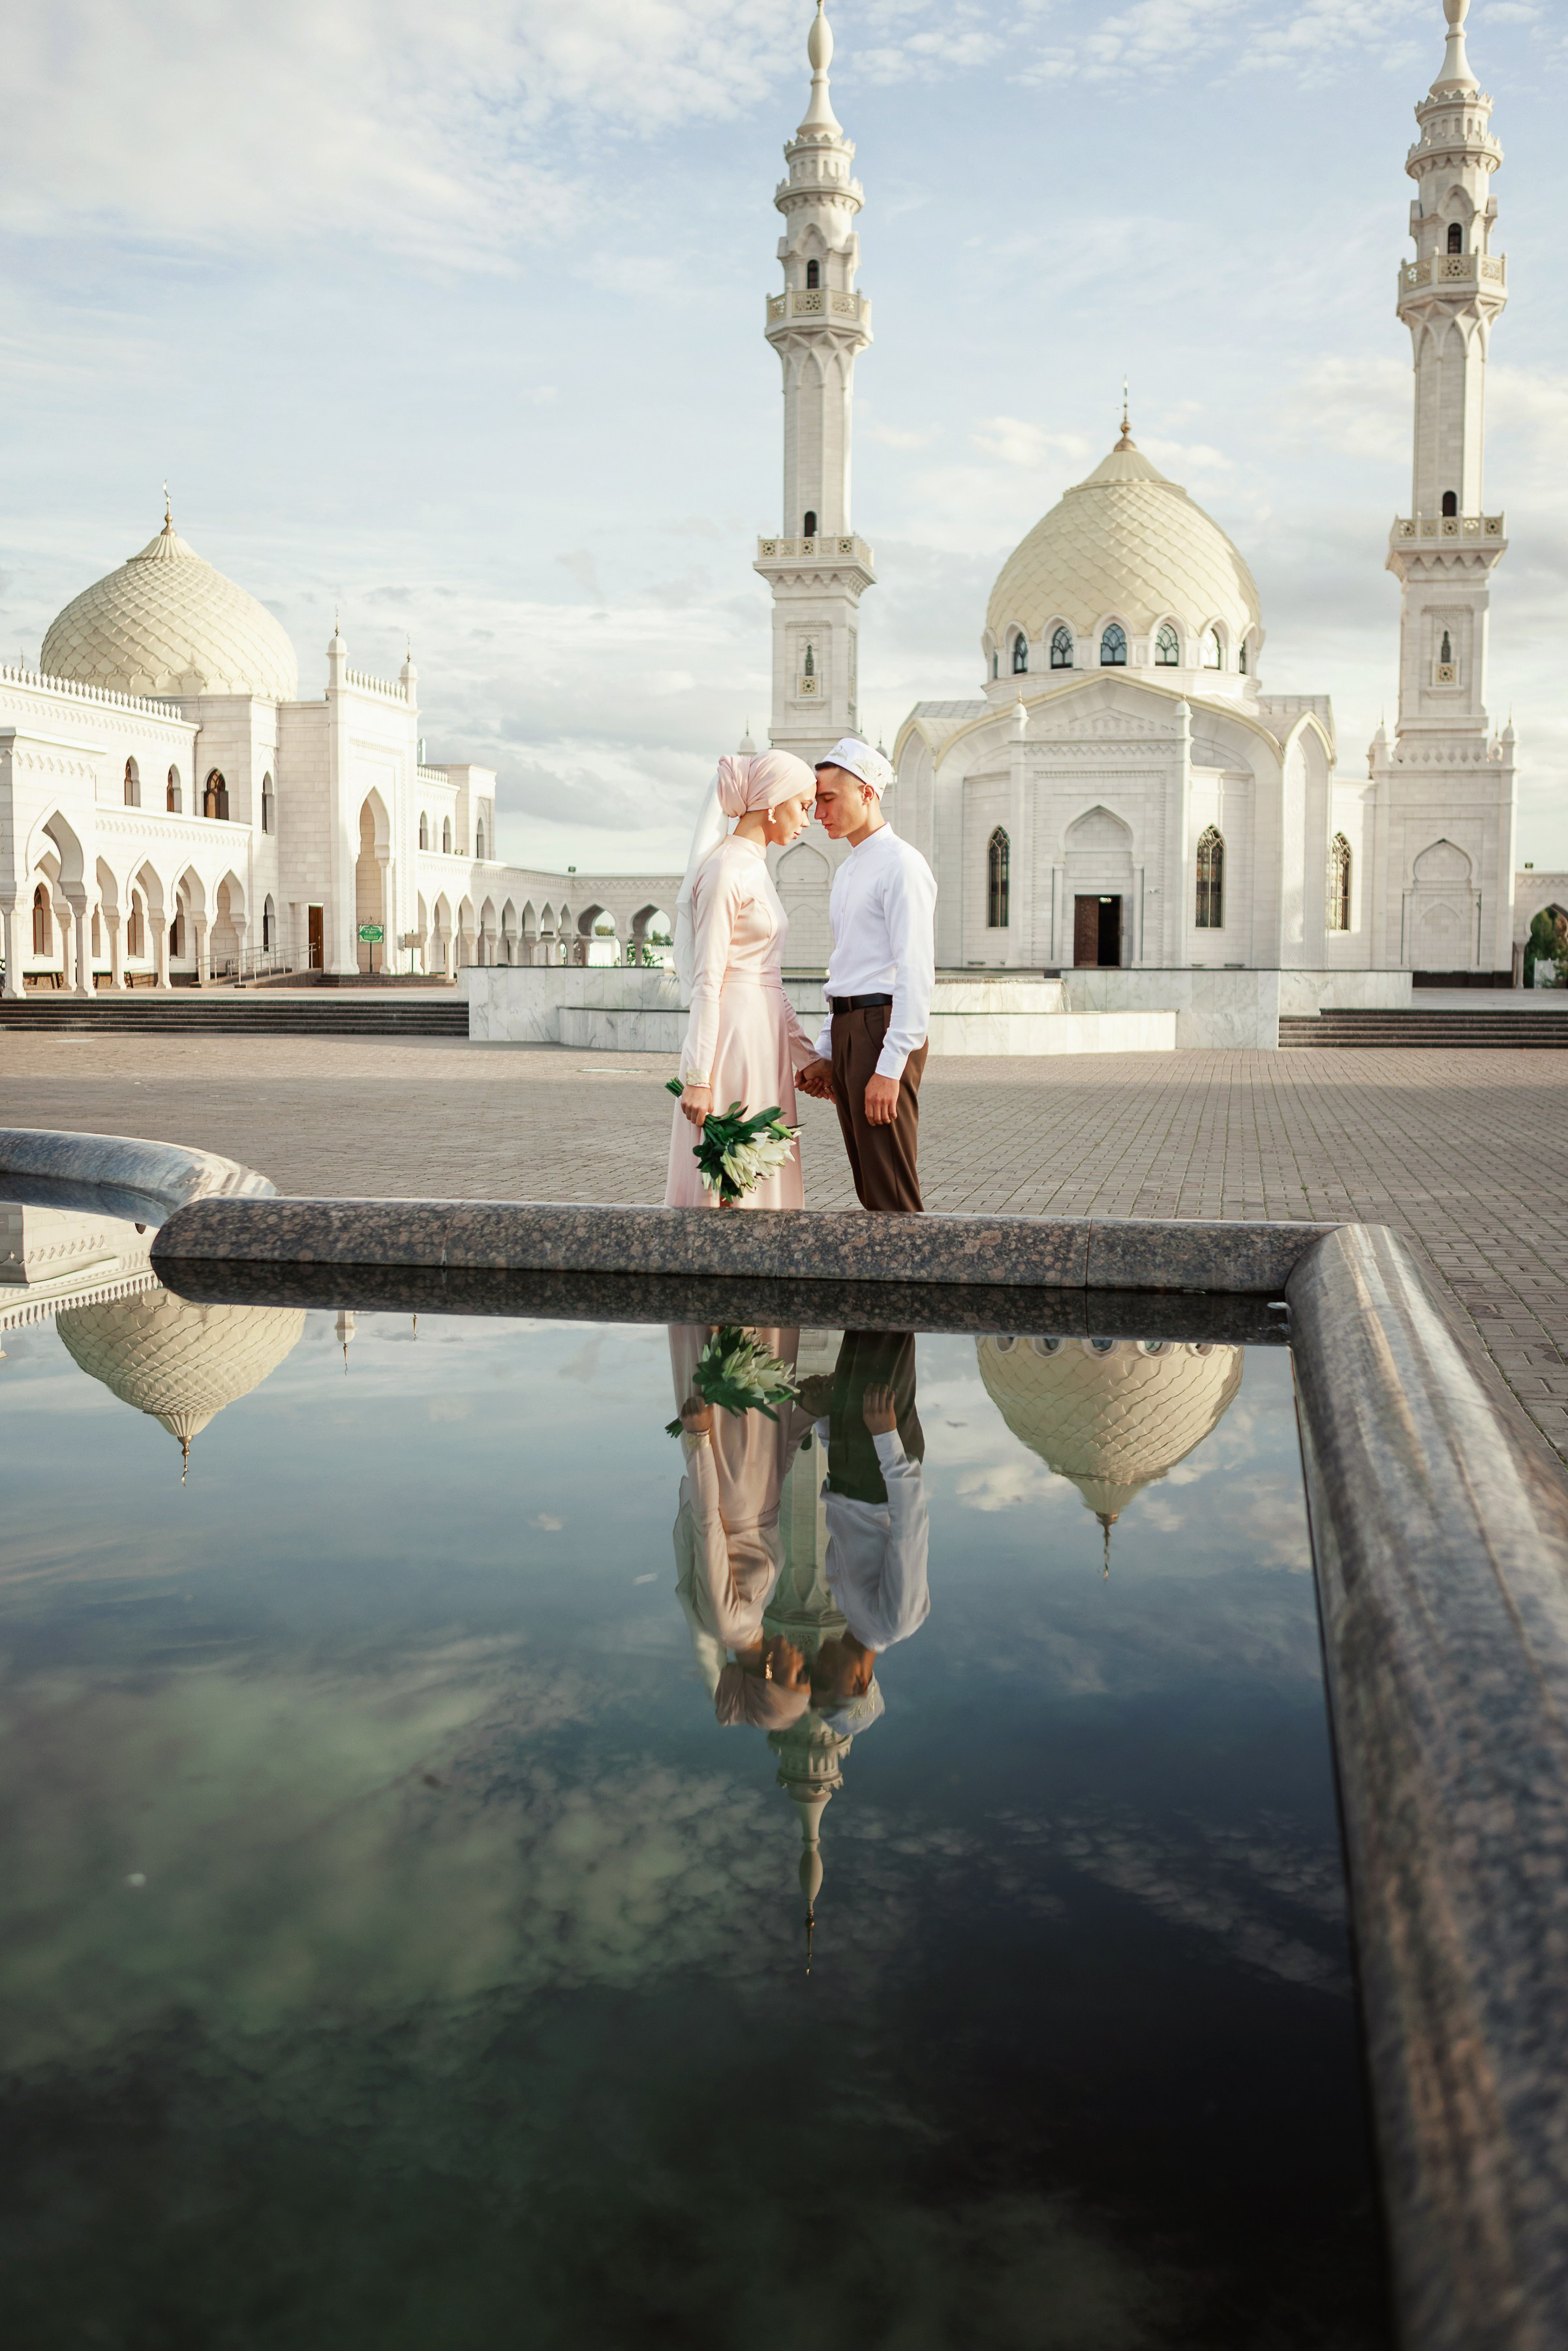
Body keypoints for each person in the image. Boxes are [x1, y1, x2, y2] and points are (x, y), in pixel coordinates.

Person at [665, 750, 821, 1211]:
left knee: (761, 1168)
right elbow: (707, 981)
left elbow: (769, 980)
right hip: (731, 1042)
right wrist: (698, 1077)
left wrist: (806, 1056)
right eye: (803, 806)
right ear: (772, 803)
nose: (807, 821)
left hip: (763, 1038)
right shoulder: (725, 870)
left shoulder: (755, 867)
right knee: (730, 1181)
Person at [795, 738, 937, 1215]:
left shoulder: (901, 865)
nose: (819, 814)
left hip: (882, 1027)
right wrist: (828, 1051)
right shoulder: (850, 870)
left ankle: (918, 1282)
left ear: (867, 793)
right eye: (816, 802)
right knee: (869, 1181)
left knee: (890, 1185)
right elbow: (844, 967)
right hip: (852, 1026)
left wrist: (889, 1067)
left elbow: (915, 970)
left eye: (829, 799)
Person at [669, 1324, 813, 1733]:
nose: (805, 1664)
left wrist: (700, 1443)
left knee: (727, 1349)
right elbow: (771, 1486)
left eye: (799, 1677)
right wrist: (806, 1418)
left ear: (769, 1675)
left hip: (726, 1469)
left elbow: (708, 1527)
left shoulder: (728, 1624)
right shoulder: (753, 1617)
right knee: (764, 1344)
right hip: (752, 1470)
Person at [801, 1329, 930, 1721]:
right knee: (889, 1330)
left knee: (860, 1328)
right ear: (859, 1684)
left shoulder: (849, 1611)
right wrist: (887, 1438)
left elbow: (842, 1515)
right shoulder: (895, 1623)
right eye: (824, 1683)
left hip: (853, 1456)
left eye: (810, 1680)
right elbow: (910, 1529)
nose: (814, 1670)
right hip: (880, 1465)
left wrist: (827, 1422)